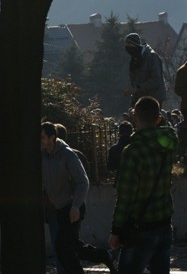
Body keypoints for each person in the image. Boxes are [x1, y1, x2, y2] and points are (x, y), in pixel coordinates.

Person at [108, 96, 178, 274]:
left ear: (134, 117)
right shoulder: (170, 140)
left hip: (140, 228)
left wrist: (116, 230)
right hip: (164, 223)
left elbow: (125, 196)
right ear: (158, 118)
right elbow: (168, 128)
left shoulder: (133, 151)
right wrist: (158, 118)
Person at [41, 122, 116, 274]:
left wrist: (75, 205)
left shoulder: (67, 154)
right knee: (72, 247)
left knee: (63, 248)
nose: (40, 140)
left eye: (42, 137)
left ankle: (102, 257)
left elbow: (83, 181)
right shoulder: (43, 155)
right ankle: (104, 255)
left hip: (72, 206)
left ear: (52, 137)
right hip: (59, 207)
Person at [124, 33, 166, 107]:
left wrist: (138, 88)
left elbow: (156, 80)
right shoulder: (134, 59)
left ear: (136, 45)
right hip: (140, 98)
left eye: (130, 46)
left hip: (154, 98)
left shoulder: (151, 57)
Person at [107, 121, 134, 186]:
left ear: (119, 133)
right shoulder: (137, 147)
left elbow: (111, 167)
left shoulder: (114, 149)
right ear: (131, 132)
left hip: (121, 180)